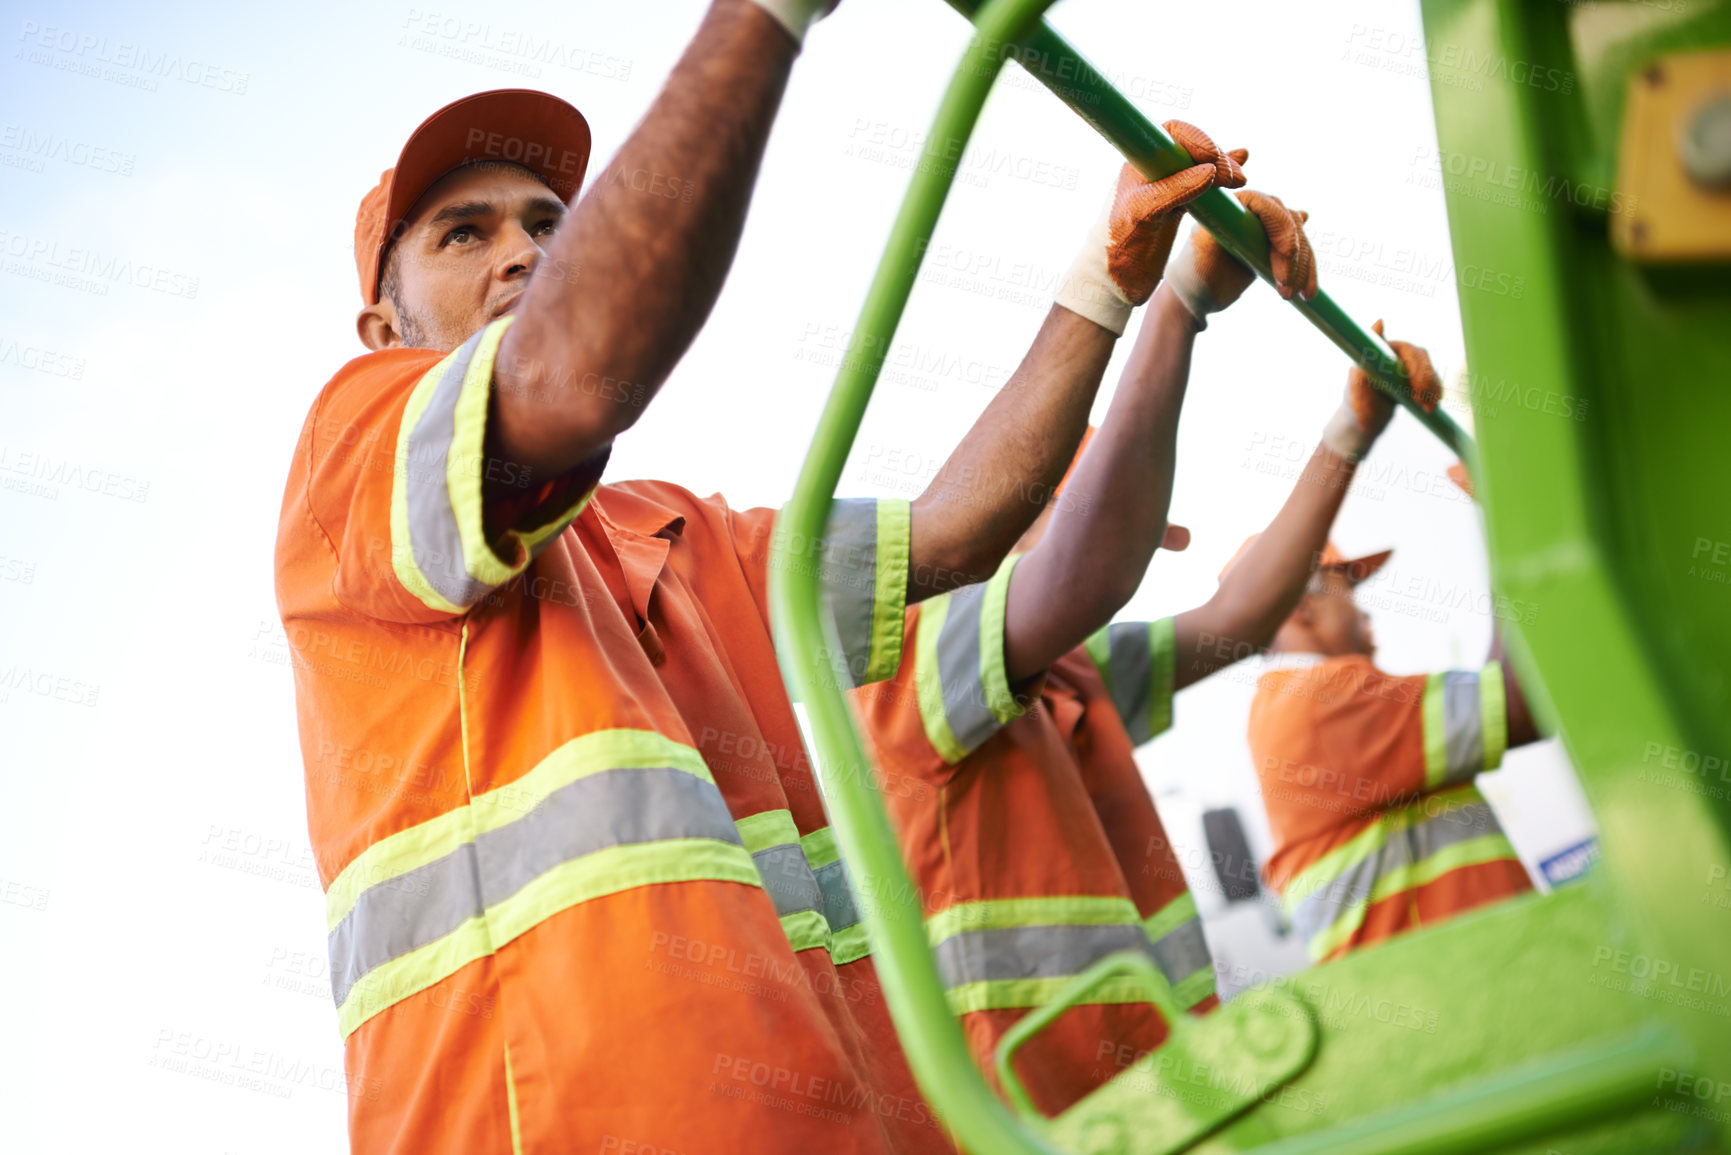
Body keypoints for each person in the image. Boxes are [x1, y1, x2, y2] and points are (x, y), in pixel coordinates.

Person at [273, 0, 1249, 1146]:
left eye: (548, 222)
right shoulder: (356, 455)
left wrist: (1115, 279)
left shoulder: (679, 536)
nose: (525, 251)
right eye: (463, 235)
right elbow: (577, 376)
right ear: (383, 331)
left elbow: (954, 533)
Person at [848, 180, 1364, 1117]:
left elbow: (1239, 618)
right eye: (1082, 509)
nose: (1126, 542)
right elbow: (1089, 564)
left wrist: (1347, 433)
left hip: (1157, 1098)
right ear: (1016, 512)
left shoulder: (1076, 675)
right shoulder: (912, 657)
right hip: (1034, 1123)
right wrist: (1175, 304)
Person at [1243, 326, 1542, 964]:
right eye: (1347, 588)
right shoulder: (1318, 701)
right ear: (1302, 606)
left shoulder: (1299, 706)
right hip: (1466, 1008)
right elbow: (1521, 702)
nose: (1366, 615)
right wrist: (1517, 524)